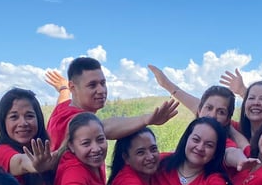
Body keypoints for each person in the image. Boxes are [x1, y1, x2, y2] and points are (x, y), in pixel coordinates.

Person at [46, 56, 179, 149]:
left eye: (103, 83)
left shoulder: (63, 108)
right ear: (73, 87)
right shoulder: (75, 120)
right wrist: (146, 119)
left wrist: (63, 89)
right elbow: (105, 127)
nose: (101, 90)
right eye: (92, 85)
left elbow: (63, 99)